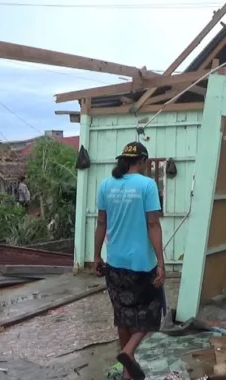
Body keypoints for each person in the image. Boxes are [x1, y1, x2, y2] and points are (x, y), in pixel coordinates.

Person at [93, 141, 165, 380]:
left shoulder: (106, 185)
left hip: (115, 263)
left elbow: (101, 223)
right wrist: (161, 263)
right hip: (141, 264)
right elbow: (153, 224)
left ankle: (127, 371)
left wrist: (96, 256)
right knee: (151, 312)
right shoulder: (147, 185)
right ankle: (128, 351)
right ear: (142, 161)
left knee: (123, 317)